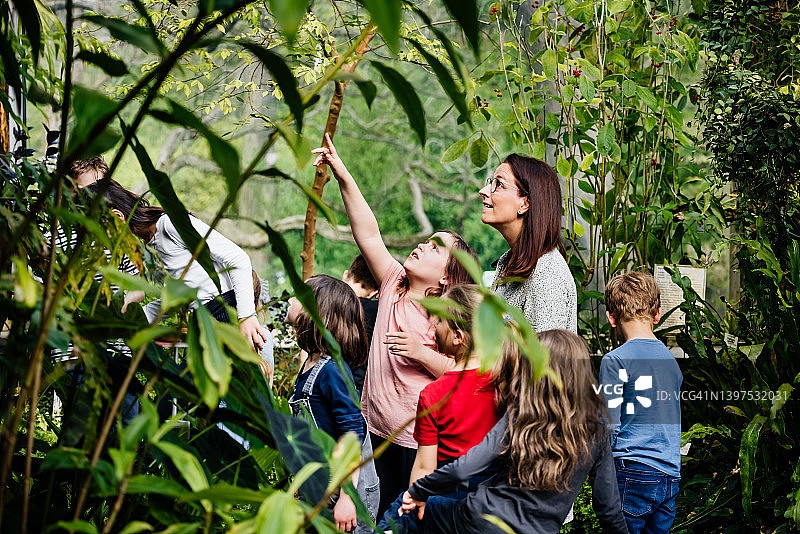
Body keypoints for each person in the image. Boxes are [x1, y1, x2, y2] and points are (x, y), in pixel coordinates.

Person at [313, 133, 478, 517]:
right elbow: (367, 232)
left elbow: (462, 372)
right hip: (372, 433)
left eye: (436, 248)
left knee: (405, 519)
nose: (422, 245)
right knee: (368, 514)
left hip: (413, 443)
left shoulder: (448, 317)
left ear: (447, 280)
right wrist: (343, 176)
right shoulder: (392, 283)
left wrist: (422, 354)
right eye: (428, 240)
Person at [383, 330, 629, 534]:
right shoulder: (596, 432)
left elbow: (465, 467)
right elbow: (608, 508)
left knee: (402, 509)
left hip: (483, 520)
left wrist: (418, 491)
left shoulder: (521, 414)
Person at [89, 180, 265, 350]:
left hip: (223, 316)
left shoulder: (170, 224)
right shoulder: (151, 242)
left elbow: (238, 258)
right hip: (204, 321)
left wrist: (246, 317)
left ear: (117, 217)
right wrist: (131, 316)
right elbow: (183, 296)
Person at [286, 274, 378, 533]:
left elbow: (352, 437)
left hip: (344, 494)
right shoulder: (310, 363)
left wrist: (347, 498)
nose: (291, 299)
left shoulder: (332, 371)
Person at [599, 271, 682, 534]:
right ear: (658, 314)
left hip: (631, 472)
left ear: (611, 318)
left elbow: (608, 425)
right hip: (669, 473)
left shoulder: (615, 360)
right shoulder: (671, 362)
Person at [409, 284, 500, 484]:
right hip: (498, 499)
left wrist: (414, 505)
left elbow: (425, 466)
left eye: (440, 320)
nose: (435, 325)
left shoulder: (433, 394)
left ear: (458, 337)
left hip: (452, 501)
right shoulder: (508, 379)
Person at [479, 155, 577, 333]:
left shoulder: (547, 276)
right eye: (490, 182)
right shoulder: (507, 261)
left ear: (525, 204)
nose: (484, 191)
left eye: (499, 184)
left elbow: (547, 358)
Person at [343, 254, 379, 396]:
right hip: (361, 390)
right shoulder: (379, 311)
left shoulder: (328, 305)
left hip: (326, 384)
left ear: (346, 275)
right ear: (374, 292)